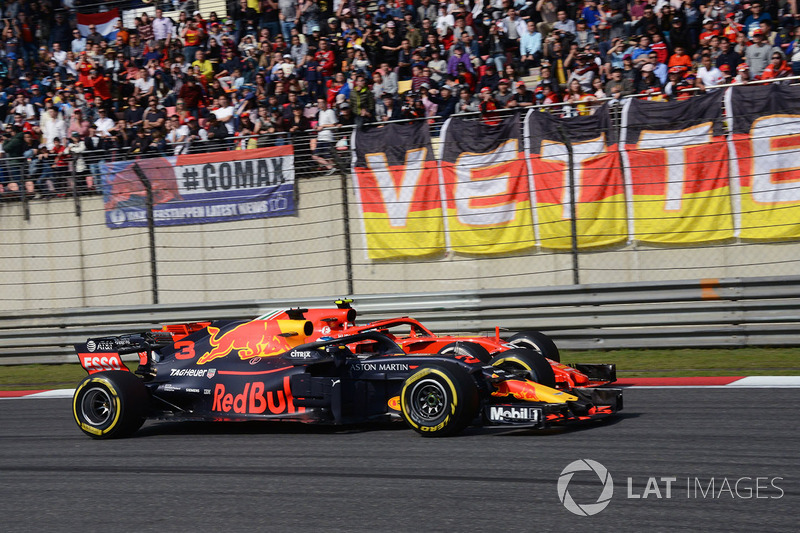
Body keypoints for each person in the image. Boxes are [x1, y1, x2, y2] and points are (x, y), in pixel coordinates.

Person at [312, 98, 339, 173]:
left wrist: (323, 126)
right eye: (319, 103)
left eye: (322, 102)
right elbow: (321, 124)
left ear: (326, 103)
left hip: (328, 137)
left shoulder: (330, 112)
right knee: (315, 156)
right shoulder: (320, 113)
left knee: (328, 157)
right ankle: (331, 168)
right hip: (320, 137)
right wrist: (317, 126)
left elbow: (334, 124)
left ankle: (333, 169)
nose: (320, 104)